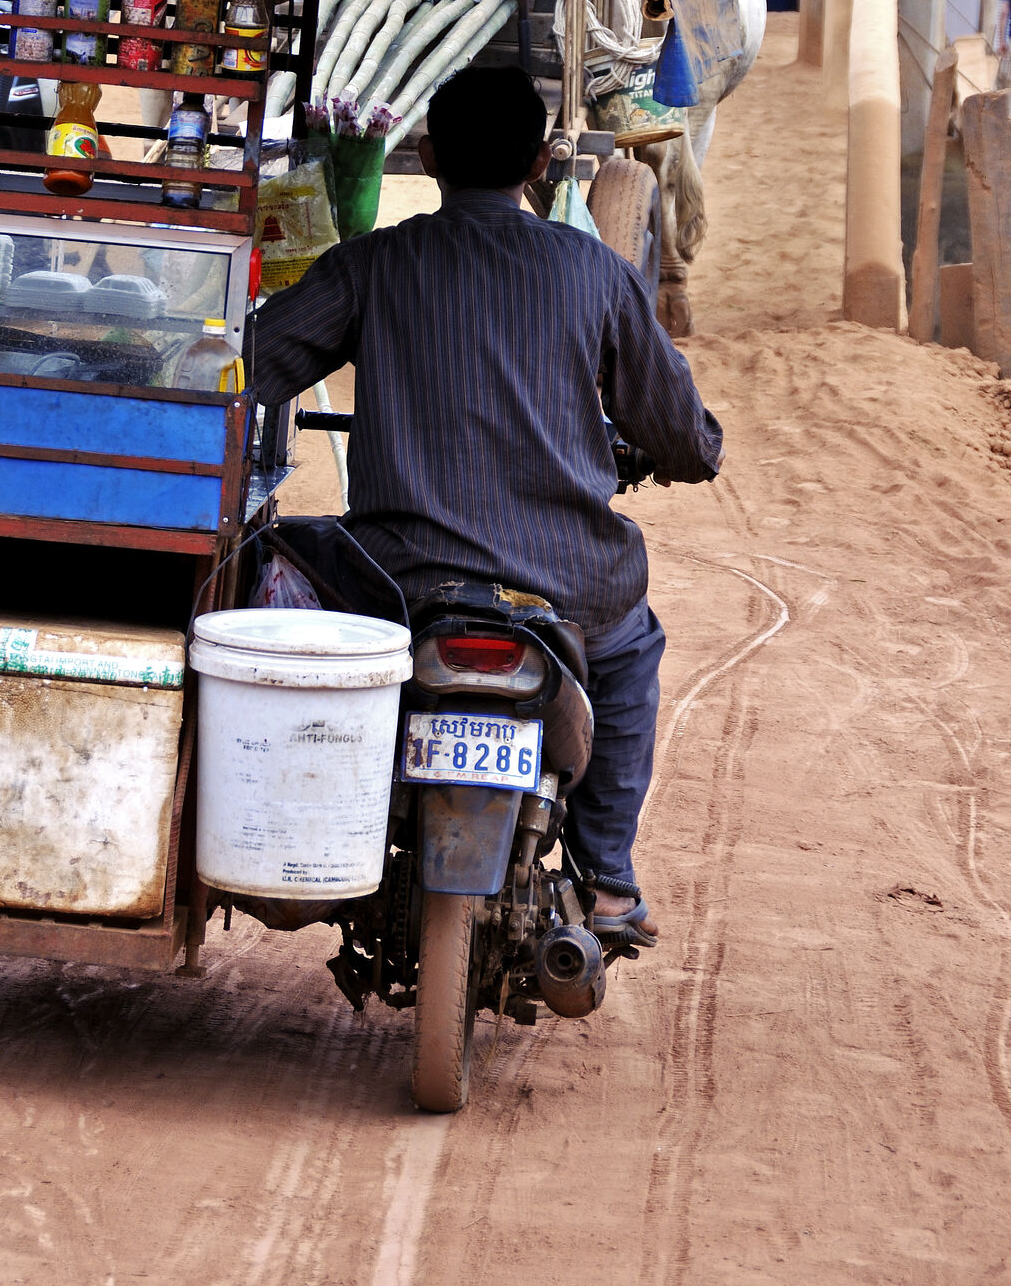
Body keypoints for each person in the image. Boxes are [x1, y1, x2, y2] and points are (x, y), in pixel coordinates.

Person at [248, 64, 723, 946]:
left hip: (403, 584)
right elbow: (685, 437)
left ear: (427, 156)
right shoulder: (596, 273)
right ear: (544, 163)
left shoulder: (374, 264)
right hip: (570, 585)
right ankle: (608, 879)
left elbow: (254, 366)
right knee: (629, 652)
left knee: (281, 574)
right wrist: (690, 452)